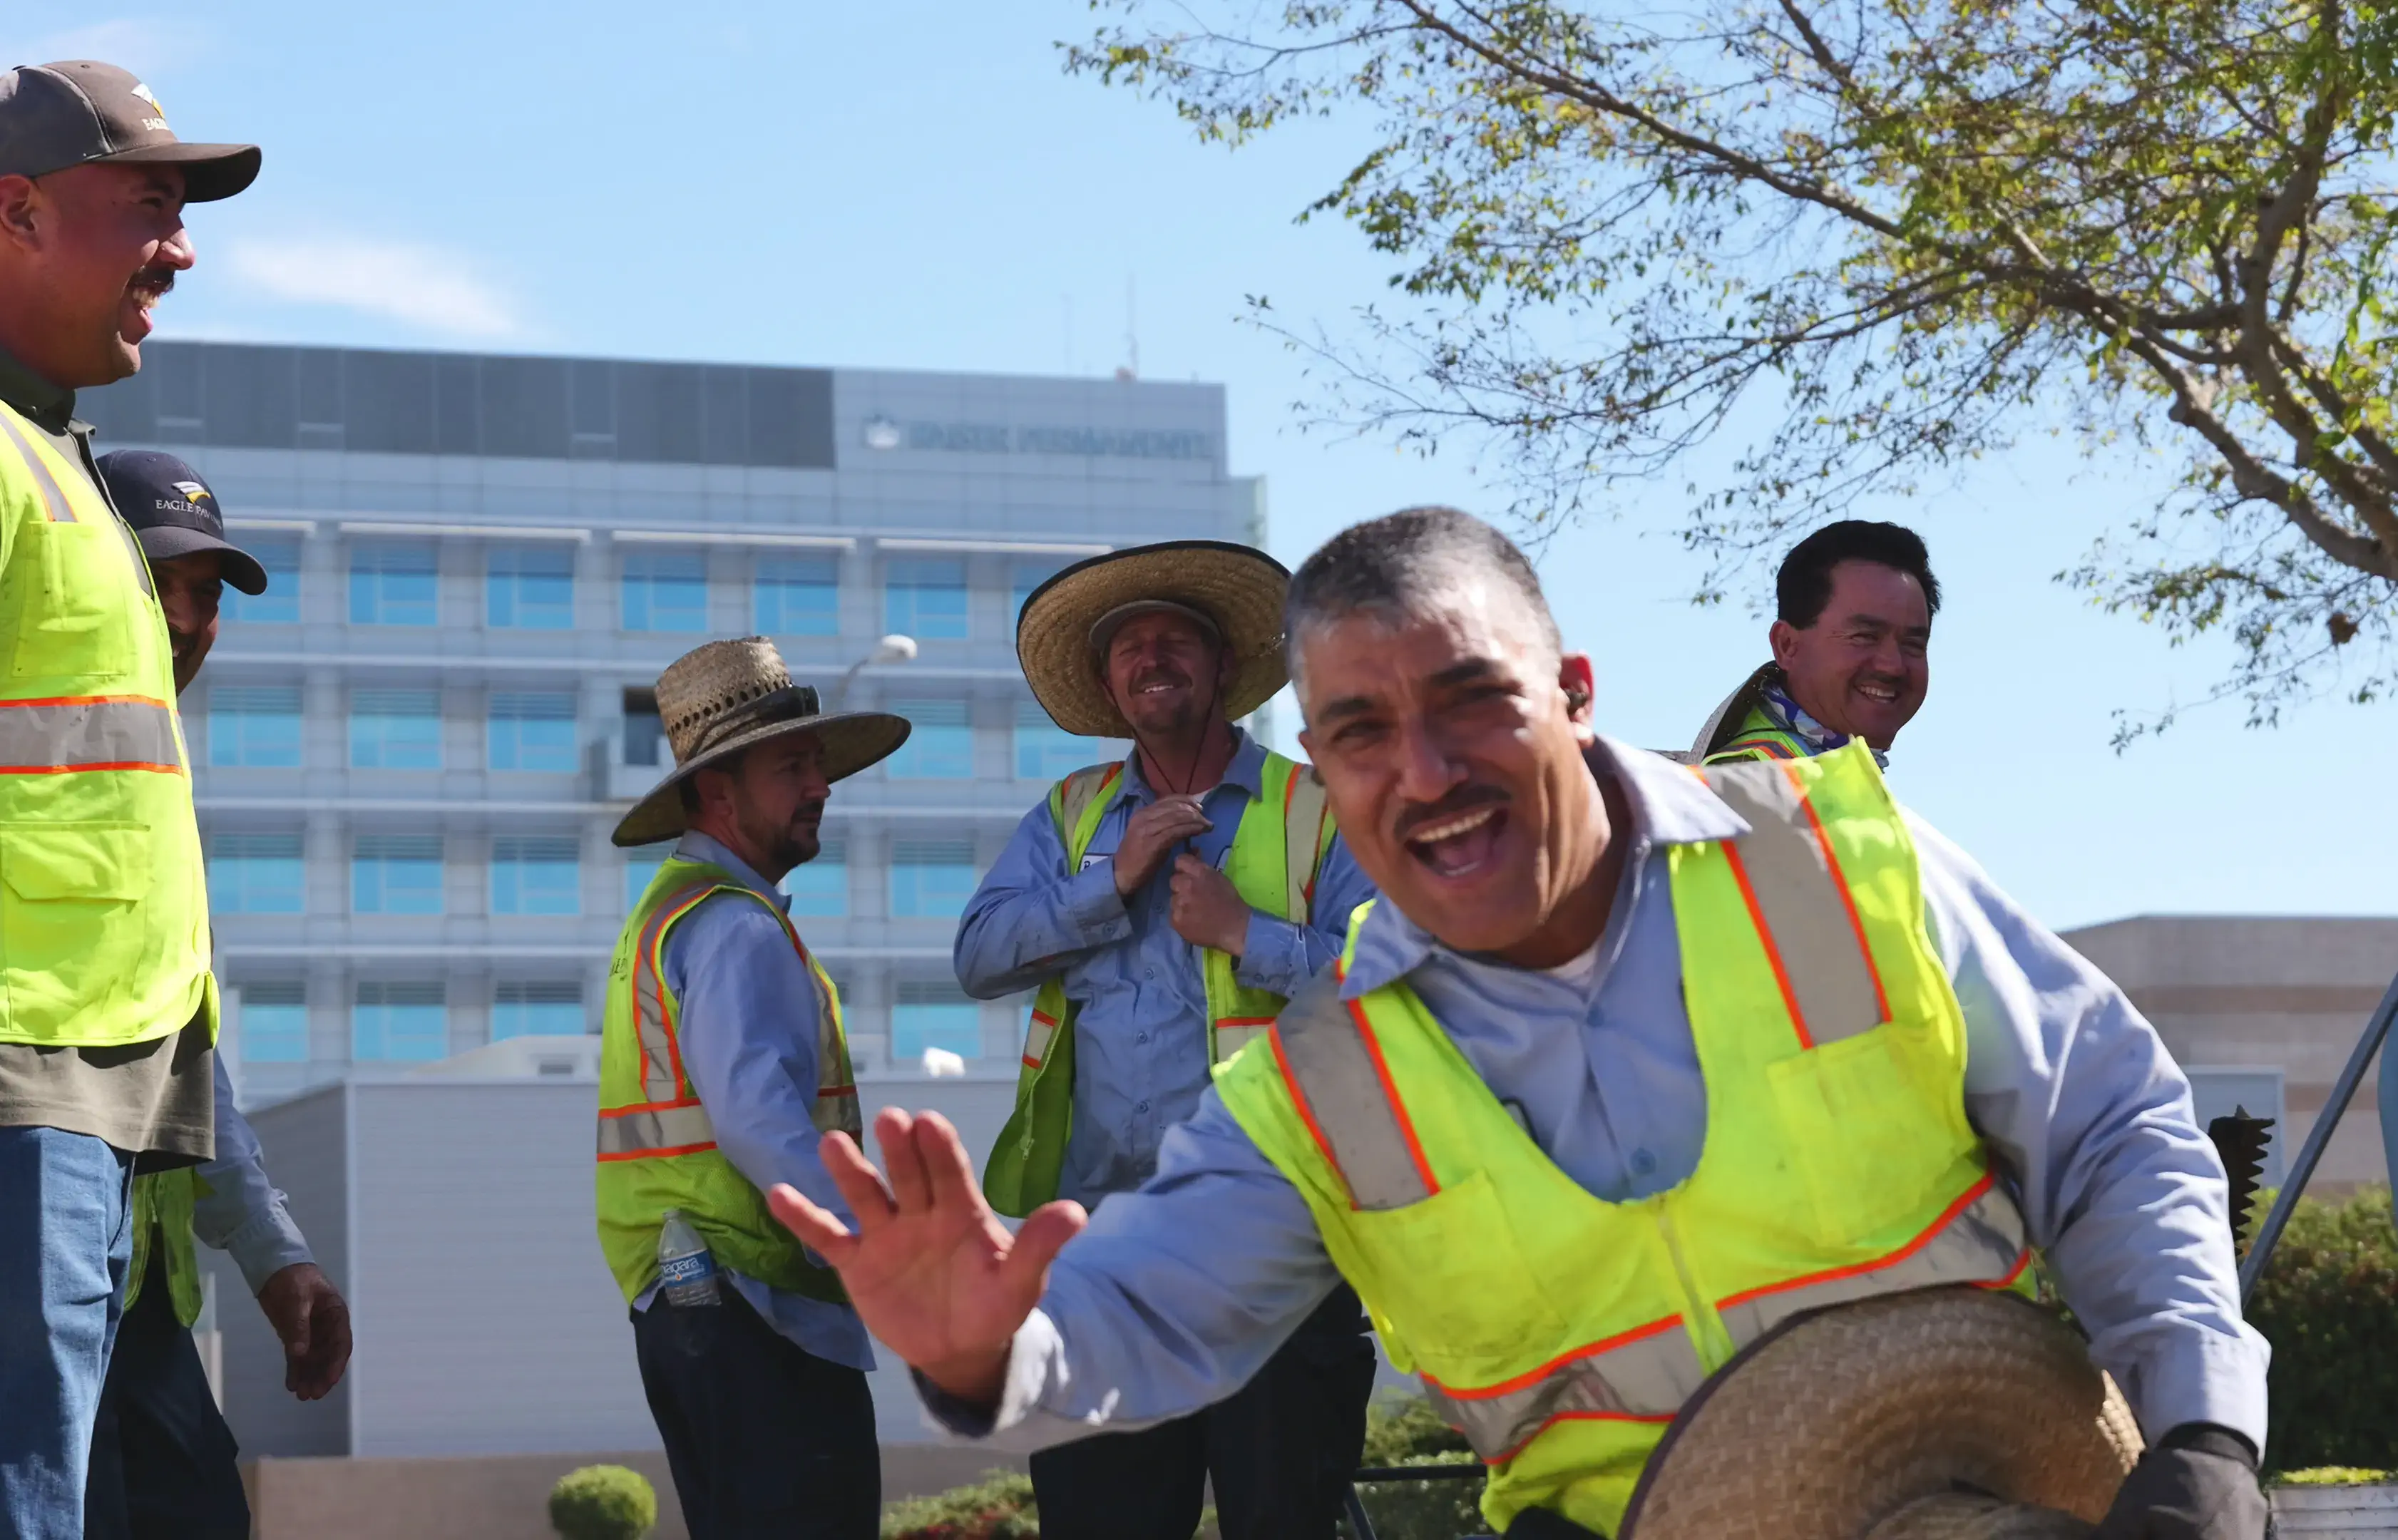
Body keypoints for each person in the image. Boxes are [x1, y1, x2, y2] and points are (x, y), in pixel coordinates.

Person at [773, 508, 2270, 1540]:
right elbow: (1145, 1311)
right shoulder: (1320, 1085)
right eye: (1359, 730)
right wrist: (985, 1349)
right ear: (1323, 757)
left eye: (1472, 701)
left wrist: (2202, 1425)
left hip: (1995, 1480)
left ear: (1571, 692)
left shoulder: (1828, 853)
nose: (1422, 772)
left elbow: (2109, 1125)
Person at [955, 540, 1380, 1540]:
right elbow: (978, 955)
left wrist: (1248, 935)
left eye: (1173, 641)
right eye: (1127, 648)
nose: (1150, 659)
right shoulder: (1069, 817)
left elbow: (1400, 986)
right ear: (1108, 685)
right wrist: (1109, 882)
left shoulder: (1319, 811)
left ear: (1222, 666)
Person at [0, 58, 259, 1540]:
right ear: (17, 211)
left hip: (85, 1081)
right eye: (148, 206)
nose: (182, 245)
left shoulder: (58, 461)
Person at [83, 451, 351, 1540]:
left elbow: (184, 1058)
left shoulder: (155, 781)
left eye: (206, 595)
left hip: (127, 1287)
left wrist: (273, 1253)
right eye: (162, 584)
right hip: (40, 1265)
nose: (190, 619)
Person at [596, 637, 910, 1540]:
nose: (820, 785)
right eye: (793, 766)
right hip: (758, 1308)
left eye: (817, 763)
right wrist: (884, 1255)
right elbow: (762, 1127)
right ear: (718, 790)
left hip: (689, 1305)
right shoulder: (736, 929)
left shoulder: (666, 916)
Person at [1691, 520, 1938, 765]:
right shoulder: (1755, 784)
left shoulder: (1821, 777)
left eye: (1912, 644)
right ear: (1786, 645)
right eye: (1865, 637)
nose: (1892, 666)